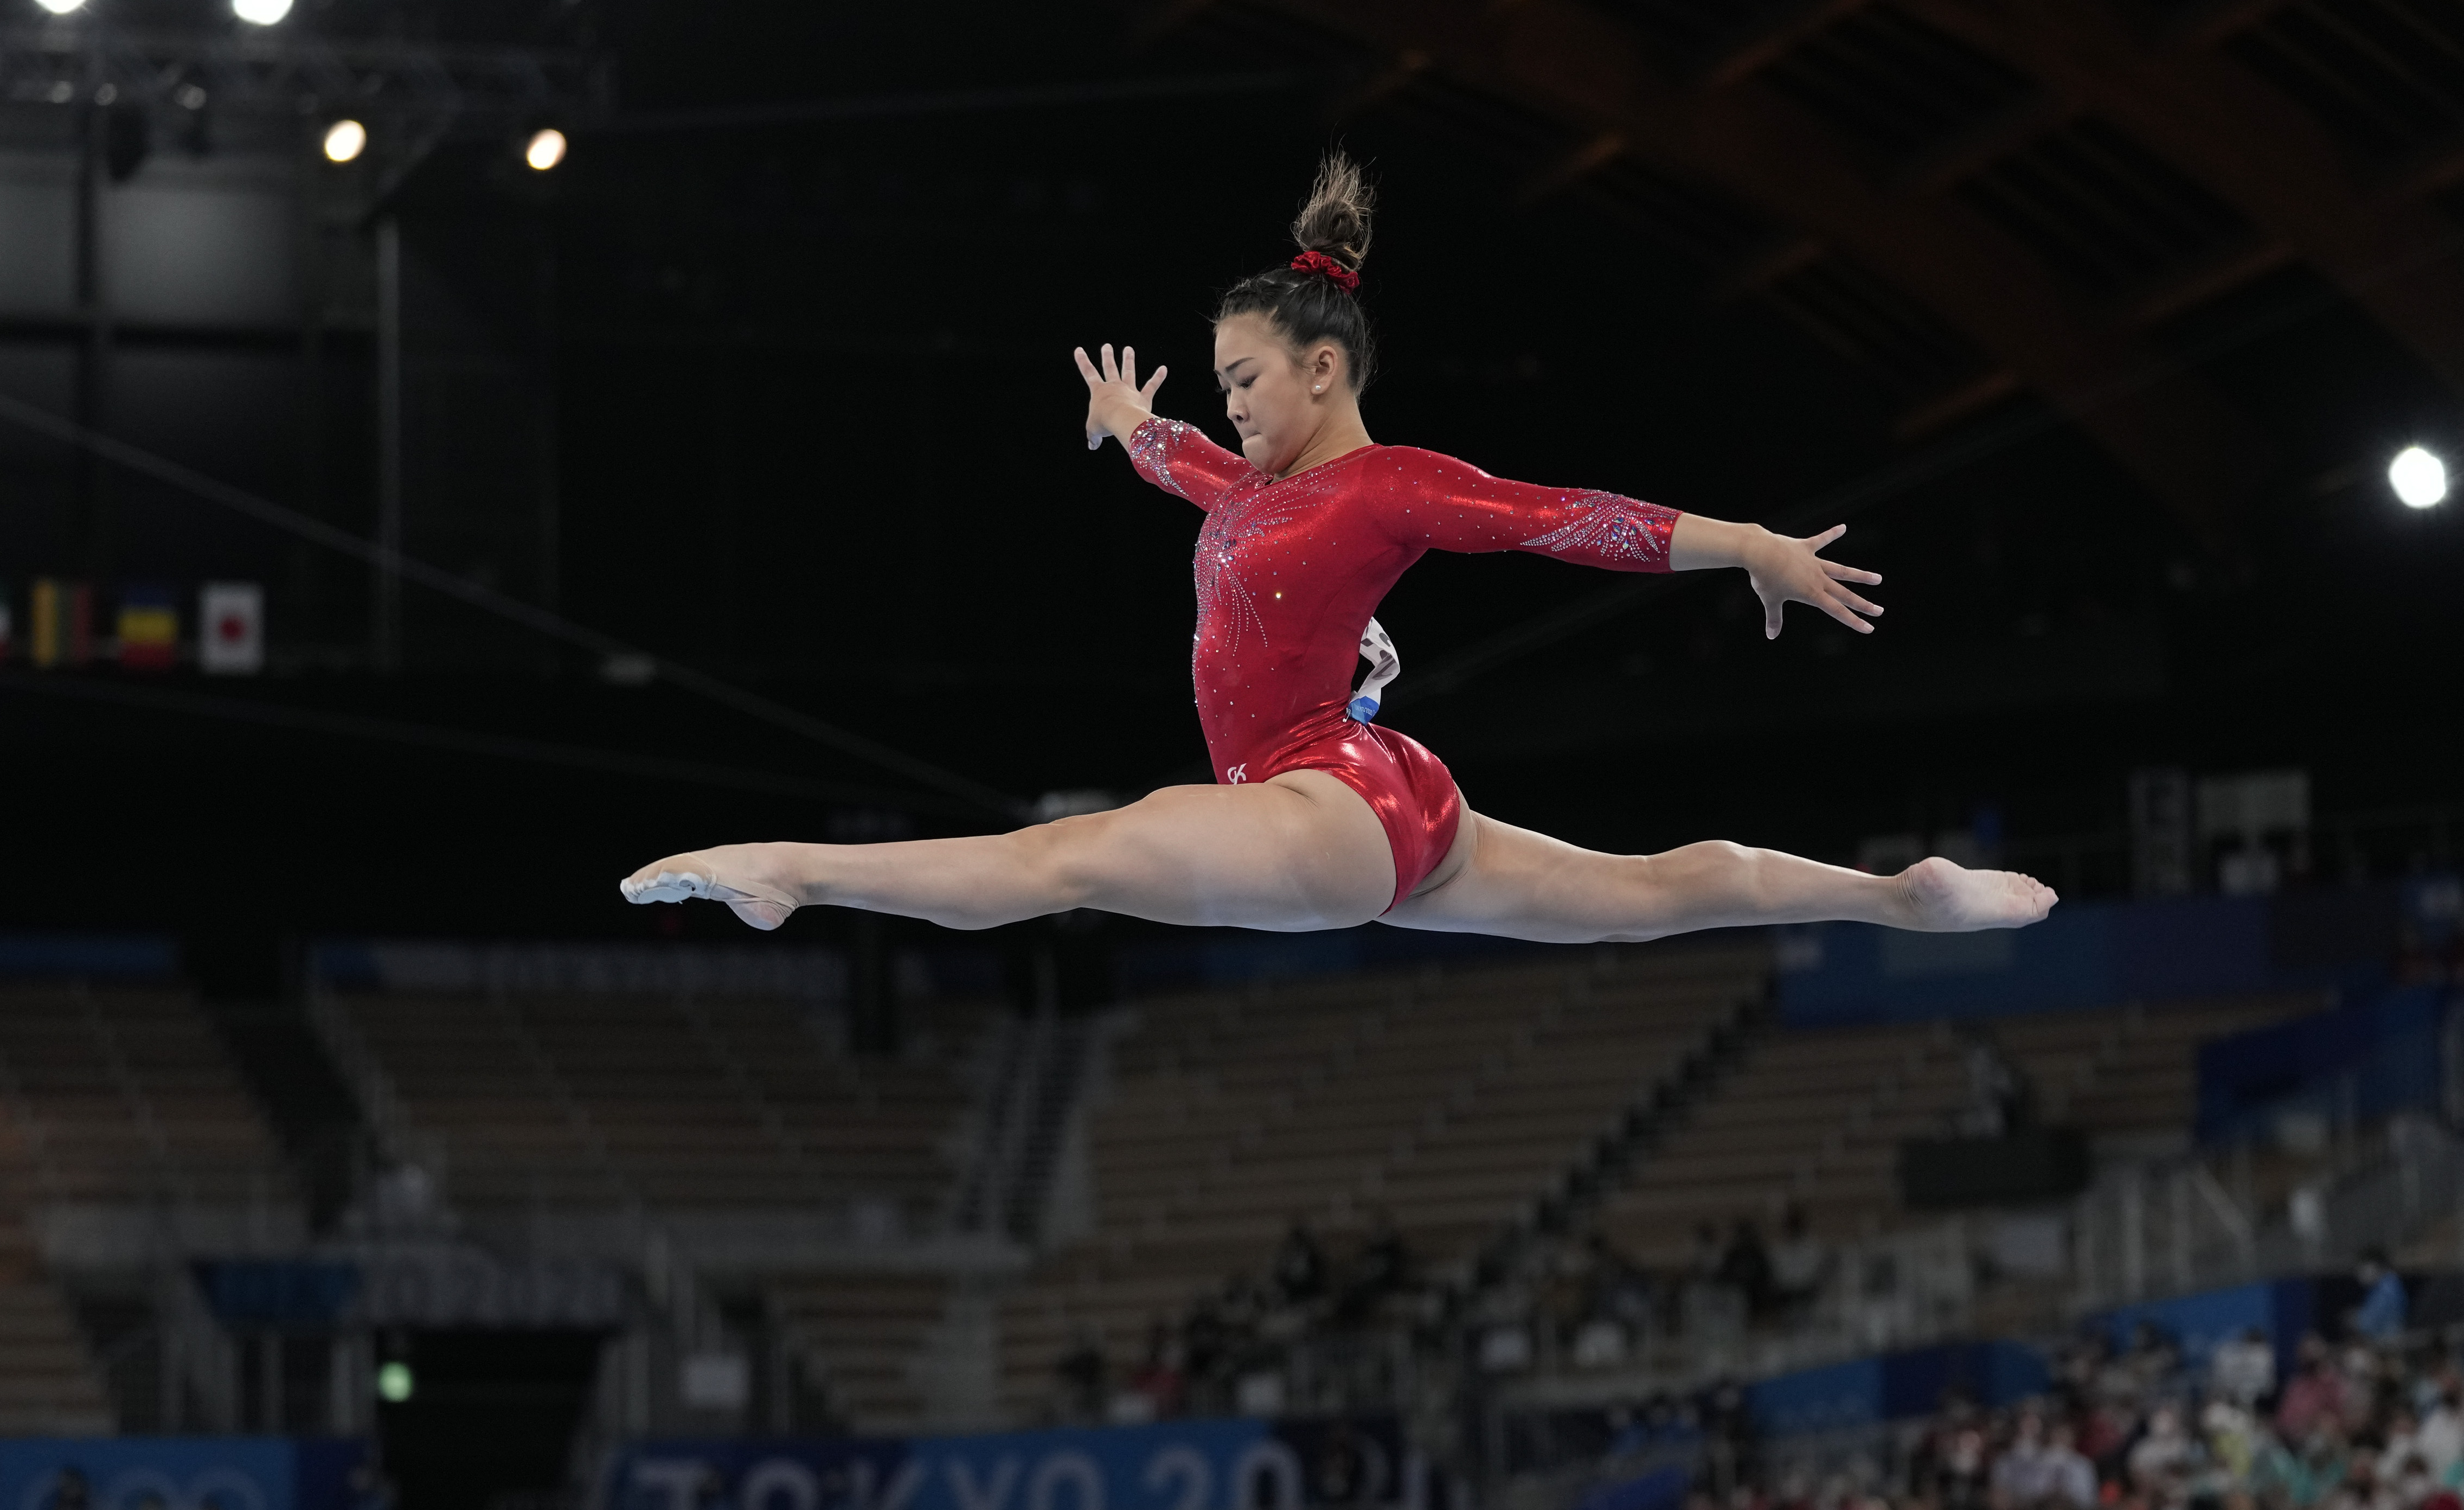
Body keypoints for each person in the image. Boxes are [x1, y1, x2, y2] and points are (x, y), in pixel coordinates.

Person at [620, 157, 2056, 950]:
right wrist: (1130, 421)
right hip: (1379, 801)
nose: (1222, 404)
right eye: (1213, 381)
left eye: (1241, 379)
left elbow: (1562, 516)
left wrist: (1742, 541)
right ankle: (1897, 899)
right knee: (1641, 900)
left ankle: (787, 871)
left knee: (1068, 856)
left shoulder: (1385, 486)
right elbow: (1179, 463)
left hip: (1324, 800)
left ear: (1319, 368)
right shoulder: (1239, 486)